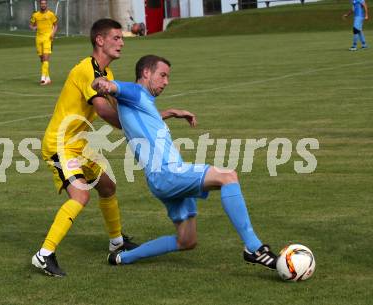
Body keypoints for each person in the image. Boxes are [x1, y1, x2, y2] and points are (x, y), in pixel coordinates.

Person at [92, 55, 278, 269]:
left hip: (161, 179)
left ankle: (120, 258)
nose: (166, 82)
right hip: (168, 173)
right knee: (228, 176)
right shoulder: (134, 92)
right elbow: (109, 86)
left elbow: (145, 120)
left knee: (186, 240)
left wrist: (171, 112)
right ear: (146, 73)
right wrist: (102, 84)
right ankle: (254, 248)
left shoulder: (141, 103)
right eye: (162, 75)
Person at [31, 19, 138, 277]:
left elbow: (116, 107)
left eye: (122, 38)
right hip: (61, 143)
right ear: (99, 40)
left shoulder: (107, 74)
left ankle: (117, 242)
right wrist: (134, 128)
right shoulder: (86, 70)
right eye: (116, 38)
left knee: (108, 186)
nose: (121, 42)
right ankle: (43, 255)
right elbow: (103, 110)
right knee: (80, 196)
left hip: (80, 143)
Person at [30, 0, 58, 85]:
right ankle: (48, 78)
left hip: (47, 38)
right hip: (38, 38)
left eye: (44, 3)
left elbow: (56, 25)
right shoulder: (35, 15)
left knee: (46, 57)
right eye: (42, 4)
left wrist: (53, 33)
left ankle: (43, 78)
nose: (43, 5)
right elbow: (31, 24)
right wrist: (33, 27)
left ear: (46, 5)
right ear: (40, 5)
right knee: (42, 59)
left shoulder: (51, 14)